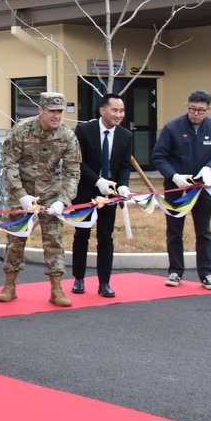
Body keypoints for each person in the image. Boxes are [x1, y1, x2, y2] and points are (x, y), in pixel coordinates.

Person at [0, 92, 81, 307]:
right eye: (52, 111)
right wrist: (21, 195)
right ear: (41, 110)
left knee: (53, 241)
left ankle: (56, 288)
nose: (56, 116)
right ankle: (10, 284)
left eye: (60, 111)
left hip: (50, 194)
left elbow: (72, 171)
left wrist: (63, 200)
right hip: (22, 193)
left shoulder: (67, 136)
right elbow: (10, 164)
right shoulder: (22, 130)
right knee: (15, 240)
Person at [151, 89, 211, 290]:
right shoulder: (172, 127)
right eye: (192, 109)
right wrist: (173, 176)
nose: (196, 114)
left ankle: (207, 274)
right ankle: (176, 271)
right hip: (176, 187)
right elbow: (158, 156)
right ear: (187, 107)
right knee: (175, 231)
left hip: (202, 187)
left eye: (200, 110)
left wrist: (209, 168)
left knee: (203, 231)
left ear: (208, 109)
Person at [71, 93, 134, 298]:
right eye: (114, 110)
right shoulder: (84, 130)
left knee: (105, 236)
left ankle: (104, 282)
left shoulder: (126, 136)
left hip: (110, 194)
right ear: (102, 110)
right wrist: (97, 180)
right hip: (86, 190)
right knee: (82, 234)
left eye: (121, 110)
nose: (119, 114)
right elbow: (78, 162)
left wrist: (123, 186)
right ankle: (78, 278)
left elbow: (124, 166)